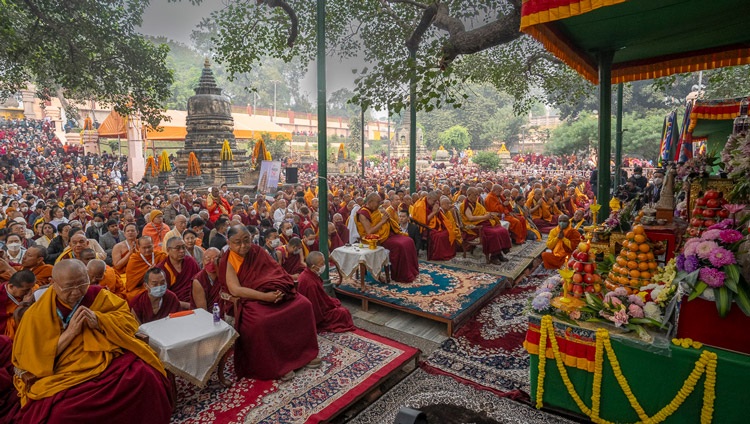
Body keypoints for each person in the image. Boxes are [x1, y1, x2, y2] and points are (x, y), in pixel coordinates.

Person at [12, 260, 172, 423]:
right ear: (53, 283)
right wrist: (70, 333)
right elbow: (34, 359)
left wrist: (100, 320)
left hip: (106, 357)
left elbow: (129, 321)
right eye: (68, 287)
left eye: (82, 283)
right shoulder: (36, 314)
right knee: (60, 414)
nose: (76, 292)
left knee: (146, 376)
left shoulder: (97, 295)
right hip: (65, 372)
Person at [219, 225, 320, 381]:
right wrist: (265, 297)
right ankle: (277, 365)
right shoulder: (228, 260)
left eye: (246, 240)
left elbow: (275, 272)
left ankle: (304, 354)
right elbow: (235, 289)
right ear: (229, 242)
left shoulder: (257, 251)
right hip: (251, 298)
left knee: (304, 305)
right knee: (262, 321)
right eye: (237, 242)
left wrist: (279, 290)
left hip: (273, 292)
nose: (243, 246)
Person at [356, 193, 419, 283]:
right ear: (370, 202)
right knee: (400, 245)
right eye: (377, 202)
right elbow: (369, 231)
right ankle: (401, 275)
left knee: (409, 240)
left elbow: (380, 219)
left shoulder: (375, 209)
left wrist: (385, 217)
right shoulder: (363, 213)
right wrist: (382, 221)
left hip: (385, 234)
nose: (379, 205)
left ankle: (412, 271)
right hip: (374, 239)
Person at [297, 252, 354, 333]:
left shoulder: (308, 273)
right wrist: (329, 306)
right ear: (313, 267)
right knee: (344, 313)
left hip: (317, 307)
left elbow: (320, 297)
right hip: (315, 315)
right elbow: (316, 309)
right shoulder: (310, 284)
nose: (324, 265)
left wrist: (329, 302)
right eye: (322, 263)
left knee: (336, 303)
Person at [460, 188, 511, 264]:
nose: (477, 196)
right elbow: (470, 218)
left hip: (483, 223)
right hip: (474, 227)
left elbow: (483, 212)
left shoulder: (476, 204)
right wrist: (485, 217)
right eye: (475, 195)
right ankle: (493, 257)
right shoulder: (465, 205)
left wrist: (489, 215)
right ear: (469, 195)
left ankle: (499, 253)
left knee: (502, 230)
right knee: (493, 233)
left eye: (477, 194)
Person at [158, 237, 200, 308]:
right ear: (168, 250)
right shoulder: (162, 268)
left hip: (196, 299)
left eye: (183, 247)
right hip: (175, 305)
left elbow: (201, 282)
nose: (182, 251)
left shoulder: (190, 262)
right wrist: (187, 305)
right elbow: (163, 296)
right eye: (178, 248)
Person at [411, 191, 454, 260]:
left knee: (449, 231)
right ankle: (438, 255)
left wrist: (436, 212)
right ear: (429, 198)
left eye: (437, 200)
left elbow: (438, 215)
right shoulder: (420, 206)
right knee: (439, 236)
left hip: (433, 224)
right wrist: (434, 212)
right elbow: (423, 222)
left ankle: (447, 253)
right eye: (434, 201)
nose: (435, 202)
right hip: (425, 228)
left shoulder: (431, 203)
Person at [124, 236, 167, 302]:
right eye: (144, 248)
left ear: (153, 245)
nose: (147, 250)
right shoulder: (134, 260)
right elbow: (131, 285)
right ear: (139, 247)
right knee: (134, 295)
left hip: (160, 284)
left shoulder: (160, 256)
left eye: (149, 247)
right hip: (142, 287)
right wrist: (147, 274)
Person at [0, 271, 36, 339]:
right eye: (26, 290)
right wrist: (25, 305)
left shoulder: (29, 289)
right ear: (11, 286)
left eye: (31, 288)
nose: (29, 292)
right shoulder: (1, 297)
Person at [111, 223, 138, 287]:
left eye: (132, 231)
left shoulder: (142, 243)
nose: (130, 233)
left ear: (138, 232)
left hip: (138, 272)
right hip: (123, 274)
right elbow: (117, 266)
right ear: (124, 233)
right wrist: (130, 253)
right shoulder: (118, 247)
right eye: (128, 231)